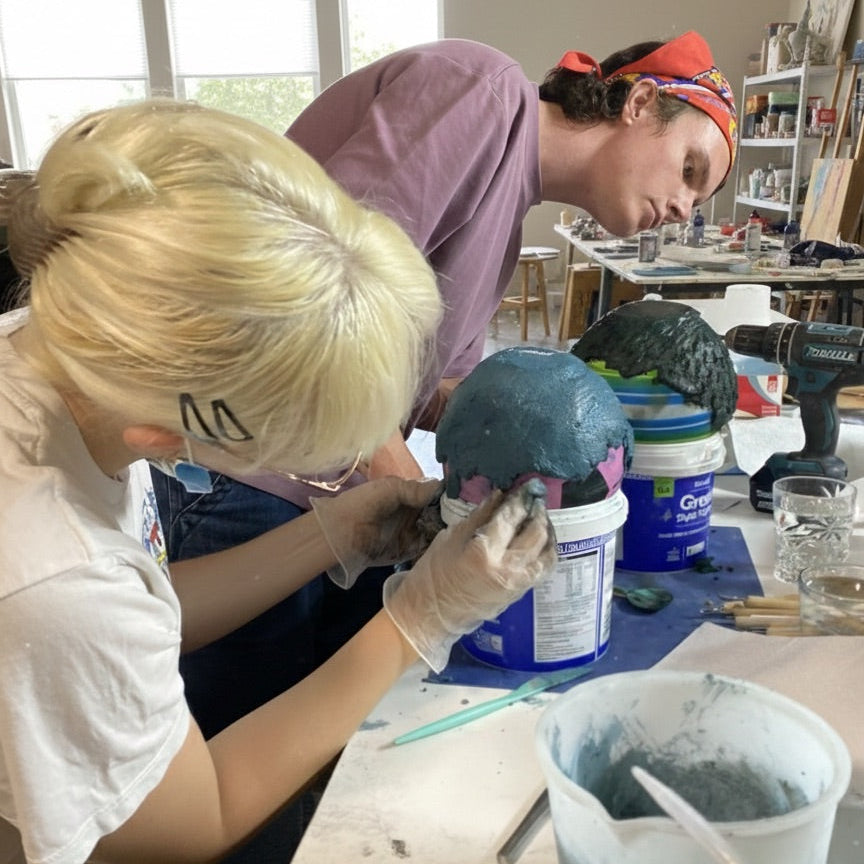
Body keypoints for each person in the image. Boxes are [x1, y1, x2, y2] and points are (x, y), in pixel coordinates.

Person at [151, 21, 738, 822]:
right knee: (245, 799)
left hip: (326, 495)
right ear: (639, 103)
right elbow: (317, 300)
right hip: (241, 480)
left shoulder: (510, 203)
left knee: (335, 776)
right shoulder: (482, 89)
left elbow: (418, 387)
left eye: (699, 200)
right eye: (690, 169)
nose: (680, 206)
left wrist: (535, 412)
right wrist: (407, 479)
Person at [0, 98, 557, 864]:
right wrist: (415, 625)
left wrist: (334, 530)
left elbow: (141, 605)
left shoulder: (71, 361)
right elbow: (196, 818)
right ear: (166, 437)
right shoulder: (48, 570)